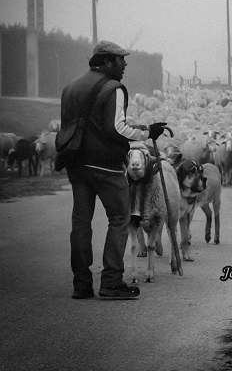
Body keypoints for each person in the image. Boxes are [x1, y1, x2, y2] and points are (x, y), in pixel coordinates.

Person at [60, 40, 167, 300]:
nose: (125, 64)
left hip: (77, 165)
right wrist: (146, 132)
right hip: (105, 165)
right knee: (120, 219)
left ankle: (81, 284)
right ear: (107, 61)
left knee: (81, 223)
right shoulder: (114, 88)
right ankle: (111, 282)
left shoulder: (70, 88)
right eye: (121, 59)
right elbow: (117, 128)